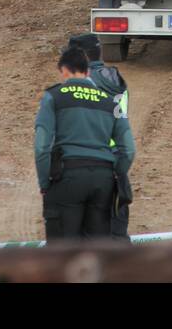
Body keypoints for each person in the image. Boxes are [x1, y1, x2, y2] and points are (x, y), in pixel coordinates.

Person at [35, 44, 136, 241]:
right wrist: (116, 173)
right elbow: (128, 149)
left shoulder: (53, 96)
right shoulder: (112, 102)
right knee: (97, 250)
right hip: (103, 179)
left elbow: (42, 146)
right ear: (87, 71)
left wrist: (44, 182)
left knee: (63, 249)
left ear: (63, 70)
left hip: (67, 177)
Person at [76, 33, 132, 240]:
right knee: (117, 228)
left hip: (88, 161)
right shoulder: (117, 81)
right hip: (116, 160)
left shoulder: (80, 84)